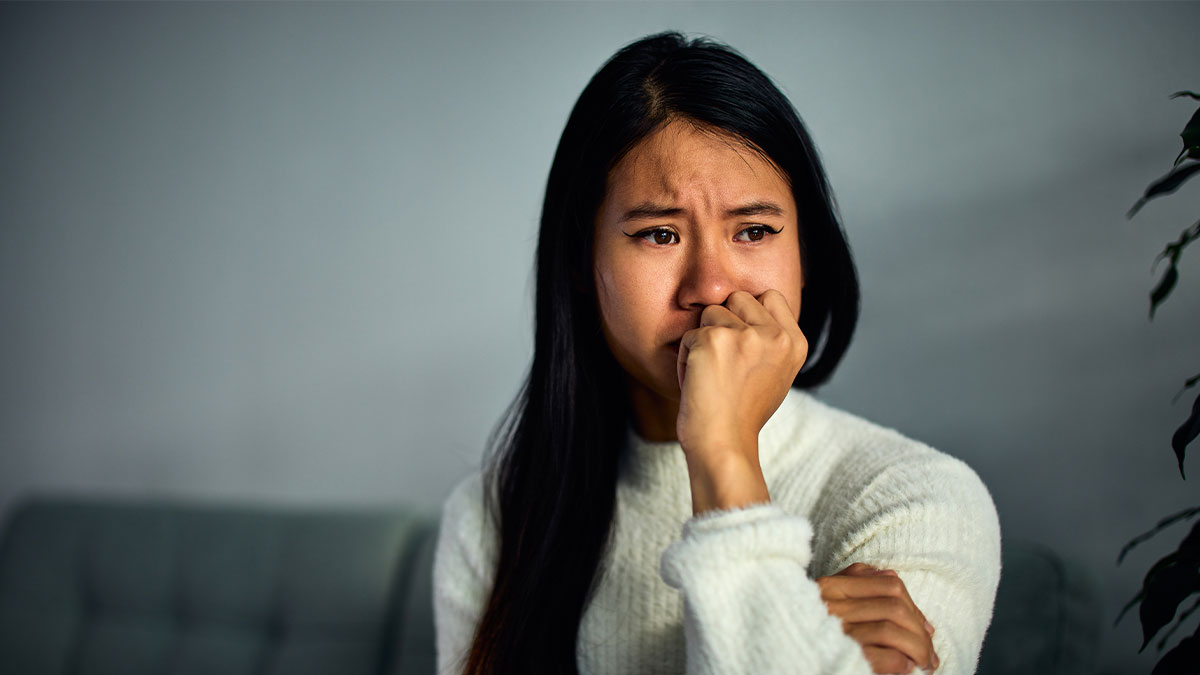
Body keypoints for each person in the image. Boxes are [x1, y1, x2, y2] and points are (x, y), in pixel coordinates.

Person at [433, 32, 1000, 675]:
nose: (710, 288)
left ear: (805, 256)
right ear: (581, 264)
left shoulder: (914, 498)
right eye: (659, 234)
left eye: (754, 231)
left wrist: (722, 451)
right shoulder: (493, 517)